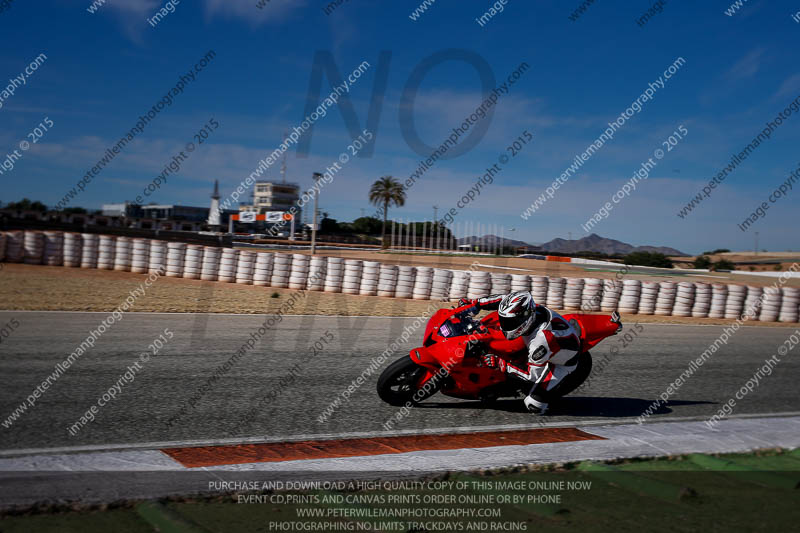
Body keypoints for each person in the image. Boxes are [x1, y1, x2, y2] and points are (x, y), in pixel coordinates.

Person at [458, 291, 583, 414]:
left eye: (510, 322)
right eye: (504, 320)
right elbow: (502, 299)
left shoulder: (540, 343)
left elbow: (531, 375)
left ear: (525, 319)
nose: (504, 325)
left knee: (533, 405)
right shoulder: (526, 309)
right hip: (547, 341)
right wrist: (473, 304)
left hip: (561, 363)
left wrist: (501, 364)